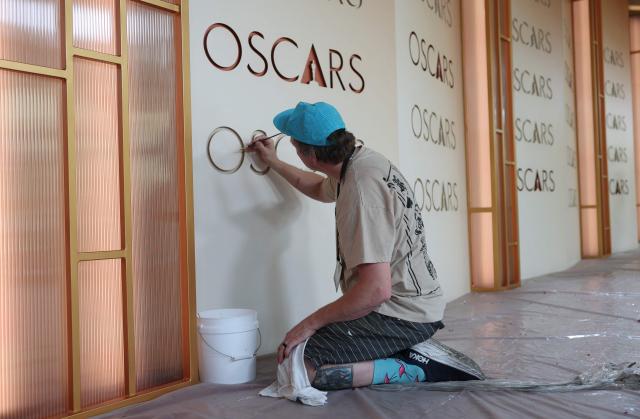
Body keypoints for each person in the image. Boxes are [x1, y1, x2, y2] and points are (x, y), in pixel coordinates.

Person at [248, 101, 480, 390]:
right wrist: (274, 161)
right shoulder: (360, 162)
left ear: (309, 154)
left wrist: (308, 324)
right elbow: (319, 187)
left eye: (294, 146)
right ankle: (403, 352)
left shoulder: (360, 190)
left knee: (295, 367)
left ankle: (410, 367)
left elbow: (375, 291)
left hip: (400, 313)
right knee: (299, 355)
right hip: (412, 304)